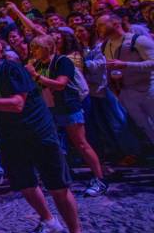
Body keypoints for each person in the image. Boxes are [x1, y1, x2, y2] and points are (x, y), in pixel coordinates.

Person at [0, 32, 96, 233]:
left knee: (58, 187)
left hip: (39, 134)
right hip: (10, 139)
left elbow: (17, 104)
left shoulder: (12, 69)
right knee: (27, 185)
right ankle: (49, 221)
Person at [25, 34, 107, 195]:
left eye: (36, 48)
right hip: (50, 109)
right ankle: (61, 177)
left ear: (47, 48)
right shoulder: (39, 64)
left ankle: (100, 179)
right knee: (53, 145)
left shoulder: (63, 61)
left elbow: (61, 84)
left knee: (81, 143)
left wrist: (35, 75)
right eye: (32, 48)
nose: (32, 51)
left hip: (69, 107)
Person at [97, 13, 154, 148]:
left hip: (148, 89)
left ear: (116, 24)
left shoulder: (138, 40)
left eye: (101, 25)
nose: (98, 28)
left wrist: (126, 65)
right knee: (145, 127)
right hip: (126, 92)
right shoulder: (105, 46)